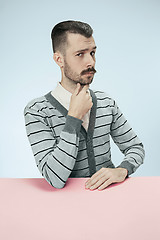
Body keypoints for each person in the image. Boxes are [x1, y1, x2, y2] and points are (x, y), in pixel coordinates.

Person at [24, 20, 145, 190]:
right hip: (66, 206)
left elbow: (135, 148)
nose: (91, 62)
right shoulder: (37, 111)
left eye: (93, 53)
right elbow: (54, 177)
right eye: (80, 54)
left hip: (110, 200)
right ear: (59, 59)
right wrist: (74, 117)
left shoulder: (105, 102)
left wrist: (122, 170)